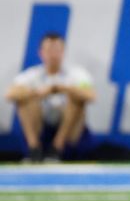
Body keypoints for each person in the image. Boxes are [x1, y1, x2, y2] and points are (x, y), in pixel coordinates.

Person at [5, 33, 95, 162]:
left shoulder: (77, 74)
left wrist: (59, 88)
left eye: (57, 50)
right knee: (24, 100)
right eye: (49, 50)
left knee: (77, 99)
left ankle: (57, 149)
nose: (53, 54)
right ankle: (34, 149)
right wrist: (37, 92)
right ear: (41, 53)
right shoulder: (32, 75)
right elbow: (10, 94)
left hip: (69, 134)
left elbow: (91, 95)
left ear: (63, 52)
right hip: (42, 129)